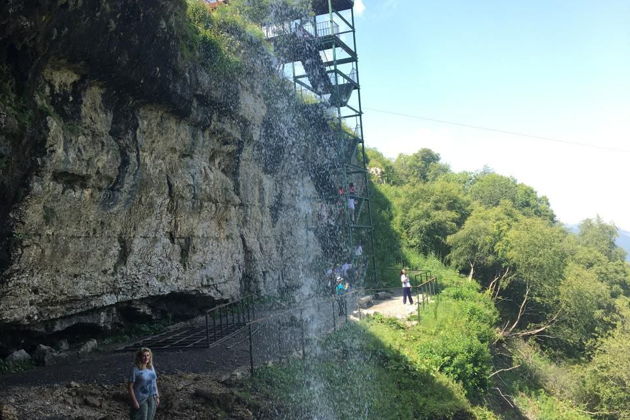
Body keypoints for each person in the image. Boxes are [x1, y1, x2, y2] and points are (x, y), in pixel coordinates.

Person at [128, 347, 159, 420]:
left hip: (152, 397)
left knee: (150, 418)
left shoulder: (151, 367)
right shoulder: (135, 369)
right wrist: (134, 401)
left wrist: (157, 396)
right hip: (141, 398)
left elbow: (154, 382)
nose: (146, 358)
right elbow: (130, 387)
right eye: (144, 355)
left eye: (148, 355)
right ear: (139, 357)